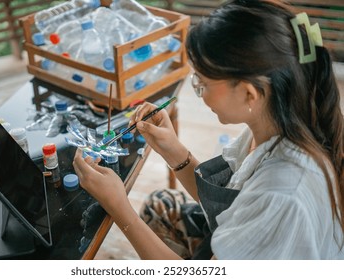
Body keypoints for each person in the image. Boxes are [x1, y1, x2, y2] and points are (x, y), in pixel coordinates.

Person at [73, 0, 344, 259]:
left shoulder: (282, 195)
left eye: (202, 83)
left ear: (249, 93)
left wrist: (118, 208)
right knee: (161, 203)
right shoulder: (273, 123)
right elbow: (228, 201)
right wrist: (173, 150)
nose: (199, 93)